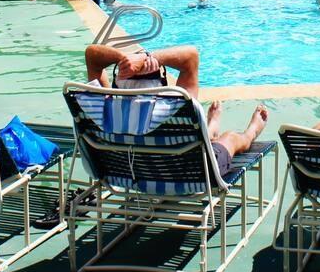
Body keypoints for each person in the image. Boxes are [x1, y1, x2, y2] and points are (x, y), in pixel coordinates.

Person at [81, 42, 269, 182]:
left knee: (200, 135)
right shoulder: (175, 107)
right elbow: (190, 56)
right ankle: (249, 132)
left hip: (129, 174)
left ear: (117, 86)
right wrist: (148, 57)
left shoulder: (104, 111)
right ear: (162, 84)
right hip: (191, 174)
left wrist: (125, 60)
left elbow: (92, 54)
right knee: (230, 138)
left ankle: (210, 129)